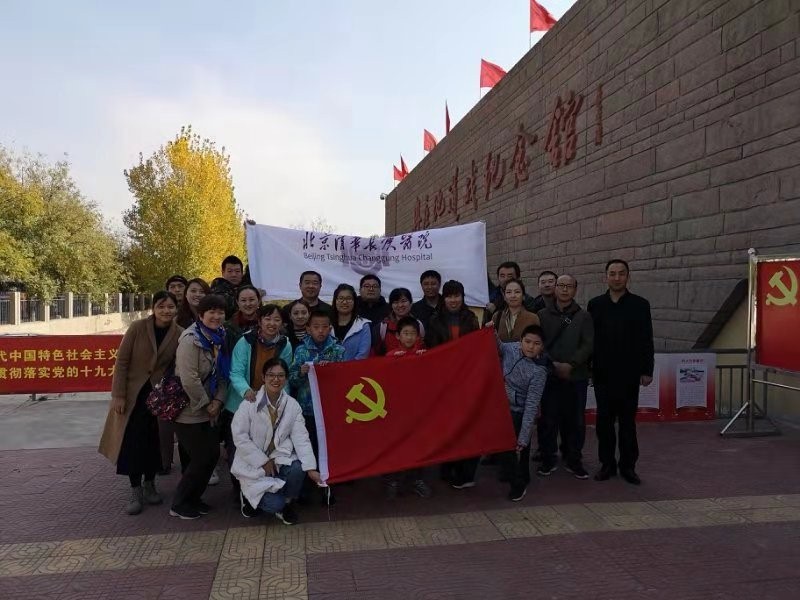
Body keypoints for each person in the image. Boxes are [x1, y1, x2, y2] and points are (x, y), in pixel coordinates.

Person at [99, 291, 181, 515]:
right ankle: (135, 490)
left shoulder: (179, 333)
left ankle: (150, 484)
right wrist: (118, 395)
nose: (166, 311)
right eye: (161, 306)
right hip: (133, 395)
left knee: (154, 442)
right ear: (153, 308)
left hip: (159, 398)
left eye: (170, 307)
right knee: (132, 442)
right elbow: (122, 361)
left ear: (176, 309)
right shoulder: (137, 328)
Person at [231, 358, 324, 524]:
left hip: (278, 459)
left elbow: (301, 438)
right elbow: (239, 436)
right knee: (274, 504)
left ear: (286, 378)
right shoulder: (249, 404)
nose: (276, 379)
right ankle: (252, 497)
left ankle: (285, 503)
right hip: (252, 464)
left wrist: (311, 468)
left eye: (281, 375)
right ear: (263, 377)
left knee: (298, 468)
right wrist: (262, 461)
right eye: (271, 375)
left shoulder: (292, 405)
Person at [587, 259, 654, 485]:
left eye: (621, 273)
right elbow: (590, 340)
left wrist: (647, 370)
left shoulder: (640, 304)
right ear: (605, 276)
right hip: (603, 373)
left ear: (628, 276)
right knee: (604, 423)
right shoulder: (595, 304)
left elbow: (646, 339)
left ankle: (628, 466)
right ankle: (607, 464)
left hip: (629, 374)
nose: (617, 278)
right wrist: (589, 368)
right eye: (612, 273)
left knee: (627, 423)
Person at [225, 304, 293, 504]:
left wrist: (283, 401)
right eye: (267, 319)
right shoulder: (245, 341)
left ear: (282, 323)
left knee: (263, 449)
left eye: (277, 320)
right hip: (241, 403)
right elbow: (236, 372)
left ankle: (262, 491)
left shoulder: (285, 344)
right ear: (260, 321)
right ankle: (239, 493)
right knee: (238, 451)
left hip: (268, 405)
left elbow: (284, 376)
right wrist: (246, 391)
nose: (272, 323)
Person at [170, 294, 229, 520]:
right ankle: (179, 504)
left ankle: (194, 499)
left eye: (220, 312)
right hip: (189, 410)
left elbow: (223, 374)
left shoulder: (219, 337)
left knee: (211, 455)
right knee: (201, 457)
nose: (216, 316)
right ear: (201, 315)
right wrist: (207, 405)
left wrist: (218, 401)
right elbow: (189, 379)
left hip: (210, 408)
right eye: (211, 312)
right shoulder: (190, 339)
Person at [536, 275, 594, 480]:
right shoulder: (542, 315)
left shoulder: (584, 316)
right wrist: (553, 364)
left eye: (569, 286)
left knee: (575, 420)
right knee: (548, 419)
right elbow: (538, 343)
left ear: (575, 290)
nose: (564, 289)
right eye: (561, 285)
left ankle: (573, 458)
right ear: (555, 288)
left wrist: (571, 364)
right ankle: (548, 458)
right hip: (550, 376)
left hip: (576, 376)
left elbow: (588, 344)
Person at [424, 280, 481, 488]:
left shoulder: (471, 318)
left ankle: (466, 469)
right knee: (447, 425)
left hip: (466, 379)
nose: (453, 300)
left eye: (457, 296)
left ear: (462, 297)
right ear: (444, 298)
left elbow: (477, 346)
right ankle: (448, 464)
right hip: (445, 380)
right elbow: (432, 349)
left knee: (466, 424)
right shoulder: (435, 320)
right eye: (449, 296)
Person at [289, 309, 346, 503]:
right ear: (308, 329)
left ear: (330, 328)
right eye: (316, 327)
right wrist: (301, 372)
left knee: (328, 450)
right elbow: (292, 380)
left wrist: (332, 371)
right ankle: (306, 488)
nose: (320, 331)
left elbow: (345, 379)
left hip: (330, 410)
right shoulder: (301, 350)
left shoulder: (338, 350)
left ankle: (328, 488)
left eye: (324, 327)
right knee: (309, 448)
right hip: (308, 410)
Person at [493, 323, 548, 502]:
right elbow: (498, 346)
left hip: (520, 411)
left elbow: (531, 407)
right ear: (521, 341)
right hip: (503, 407)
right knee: (507, 449)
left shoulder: (539, 371)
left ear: (542, 346)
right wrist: (491, 331)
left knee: (516, 447)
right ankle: (522, 475)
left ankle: (518, 485)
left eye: (536, 344)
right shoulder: (512, 349)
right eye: (527, 341)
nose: (531, 347)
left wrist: (524, 438)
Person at [382, 316, 432, 498]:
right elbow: (383, 379)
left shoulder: (424, 354)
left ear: (418, 336)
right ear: (398, 336)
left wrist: (425, 360)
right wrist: (393, 362)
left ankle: (416, 480)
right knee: (395, 445)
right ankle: (392, 480)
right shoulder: (391, 355)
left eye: (413, 334)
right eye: (406, 333)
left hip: (418, 410)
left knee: (419, 444)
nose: (409, 337)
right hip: (396, 411)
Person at [372, 288, 426, 356]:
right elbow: (376, 354)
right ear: (391, 305)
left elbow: (422, 347)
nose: (400, 305)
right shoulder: (383, 327)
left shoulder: (418, 324)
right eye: (396, 302)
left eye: (403, 301)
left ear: (411, 303)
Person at [331, 284, 371, 361]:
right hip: (330, 367)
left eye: (349, 298)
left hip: (355, 367)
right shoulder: (327, 324)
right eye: (341, 298)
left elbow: (363, 354)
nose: (344, 302)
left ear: (354, 301)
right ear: (335, 301)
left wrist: (348, 367)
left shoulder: (363, 325)